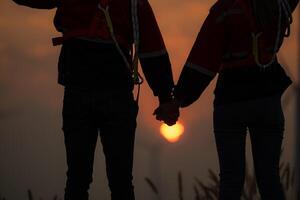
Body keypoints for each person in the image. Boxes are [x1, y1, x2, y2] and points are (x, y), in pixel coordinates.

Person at [11, 0, 179, 199]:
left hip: (78, 91)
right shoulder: (135, 3)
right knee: (121, 182)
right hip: (116, 96)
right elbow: (152, 48)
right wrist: (166, 98)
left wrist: (166, 97)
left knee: (77, 179)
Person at [155, 0, 299, 199]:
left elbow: (202, 59)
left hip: (231, 101)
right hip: (268, 100)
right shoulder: (277, 6)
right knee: (270, 178)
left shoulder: (224, 10)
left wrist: (177, 100)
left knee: (231, 180)